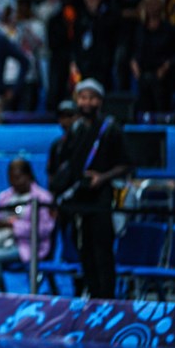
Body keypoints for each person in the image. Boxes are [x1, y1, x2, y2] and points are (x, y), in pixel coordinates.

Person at [52, 79, 132, 299]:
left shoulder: (110, 128)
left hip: (101, 199)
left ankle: (107, 300)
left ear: (100, 101)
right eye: (82, 97)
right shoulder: (75, 130)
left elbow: (126, 164)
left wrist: (102, 177)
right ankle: (92, 297)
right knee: (84, 251)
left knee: (102, 252)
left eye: (92, 98)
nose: (87, 102)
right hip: (80, 198)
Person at [0, 158, 55, 292]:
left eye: (18, 177)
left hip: (28, 245)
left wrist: (15, 226)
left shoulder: (42, 198)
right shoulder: (5, 196)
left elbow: (44, 230)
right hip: (1, 242)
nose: (14, 182)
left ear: (28, 175)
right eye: (11, 178)